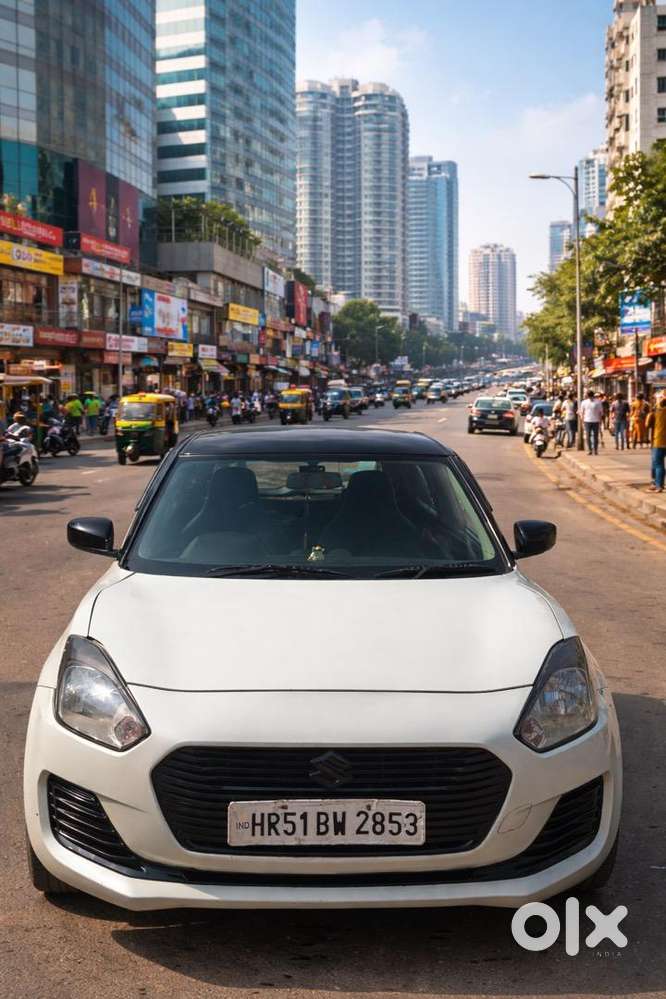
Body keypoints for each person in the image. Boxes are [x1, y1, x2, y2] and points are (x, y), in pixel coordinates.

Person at [646, 394, 666, 493]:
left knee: (658, 464)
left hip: (659, 440)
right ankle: (658, 484)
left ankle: (658, 485)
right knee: (658, 464)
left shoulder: (657, 411)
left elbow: (647, 424)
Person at [580, 389, 603, 455]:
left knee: (595, 436)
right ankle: (590, 450)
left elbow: (600, 412)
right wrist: (582, 420)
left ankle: (595, 450)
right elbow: (582, 412)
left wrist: (600, 421)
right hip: (587, 421)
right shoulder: (584, 402)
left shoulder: (598, 402)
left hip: (595, 421)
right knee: (588, 436)